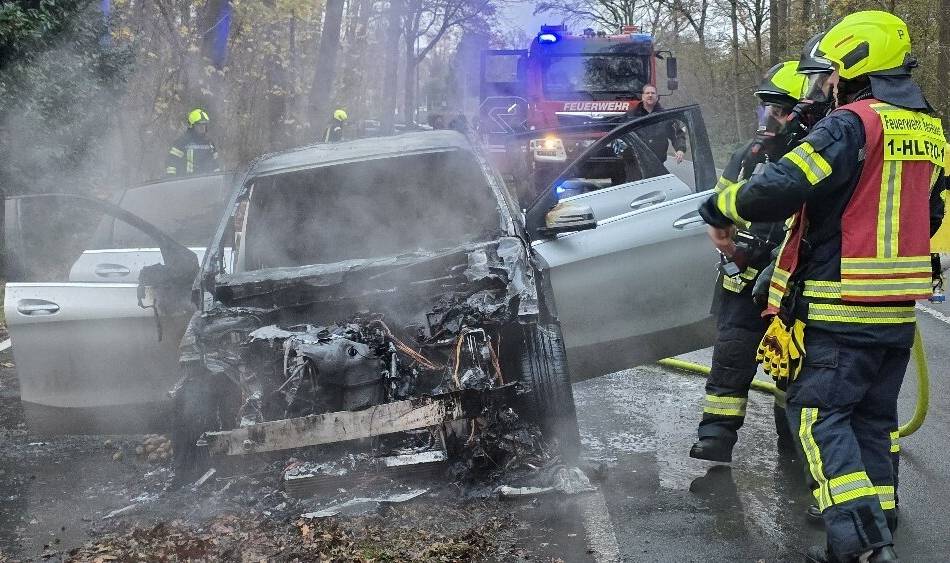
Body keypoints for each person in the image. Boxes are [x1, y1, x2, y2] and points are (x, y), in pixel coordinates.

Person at [699, 11, 946, 562]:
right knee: (874, 422)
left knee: (817, 417)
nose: (825, 86)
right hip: (897, 314)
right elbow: (928, 217)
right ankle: (874, 527)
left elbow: (779, 188)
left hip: (843, 307)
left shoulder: (851, 123)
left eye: (829, 74)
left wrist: (720, 203)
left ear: (855, 65)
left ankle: (860, 548)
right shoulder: (930, 130)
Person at [689, 61, 810, 463]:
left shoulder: (815, 159)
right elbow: (722, 205)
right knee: (730, 356)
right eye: (766, 109)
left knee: (791, 365)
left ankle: (791, 440)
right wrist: (727, 240)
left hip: (791, 284)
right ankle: (716, 436)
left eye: (780, 110)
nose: (770, 119)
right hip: (743, 279)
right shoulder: (746, 156)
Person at [623, 84, 687, 164]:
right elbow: (621, 136)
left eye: (653, 93)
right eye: (647, 93)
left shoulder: (665, 116)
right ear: (642, 97)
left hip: (657, 163)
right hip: (634, 163)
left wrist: (680, 149)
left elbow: (677, 134)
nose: (650, 95)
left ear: (657, 97)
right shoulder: (630, 116)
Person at [165, 108, 220, 176]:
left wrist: (217, 178)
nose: (202, 128)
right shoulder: (182, 142)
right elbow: (172, 162)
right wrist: (171, 179)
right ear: (192, 126)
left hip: (207, 181)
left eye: (204, 125)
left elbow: (216, 164)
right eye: (199, 126)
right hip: (187, 182)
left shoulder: (210, 143)